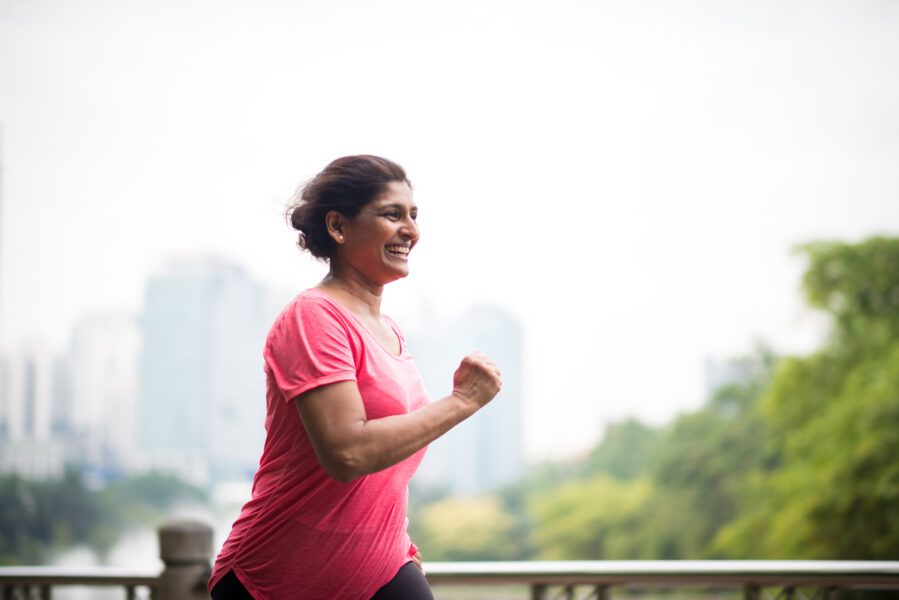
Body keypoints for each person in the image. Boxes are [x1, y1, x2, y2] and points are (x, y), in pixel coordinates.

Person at [208, 155, 503, 600]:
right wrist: (461, 401)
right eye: (392, 214)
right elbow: (347, 452)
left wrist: (397, 537)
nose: (411, 230)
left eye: (414, 215)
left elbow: (390, 461)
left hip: (381, 566)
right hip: (280, 575)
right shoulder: (314, 315)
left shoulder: (391, 331)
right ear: (338, 227)